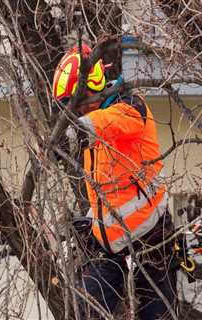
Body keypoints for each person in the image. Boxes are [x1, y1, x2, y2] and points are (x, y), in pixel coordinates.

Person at [52, 44, 177, 319]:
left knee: (159, 315)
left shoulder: (130, 107)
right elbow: (107, 190)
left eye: (76, 104)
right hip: (108, 246)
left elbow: (108, 122)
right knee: (86, 311)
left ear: (90, 90)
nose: (75, 113)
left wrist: (76, 130)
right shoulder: (93, 129)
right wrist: (92, 222)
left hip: (152, 238)